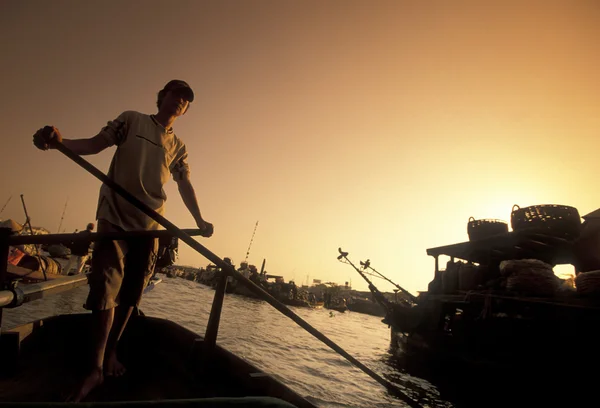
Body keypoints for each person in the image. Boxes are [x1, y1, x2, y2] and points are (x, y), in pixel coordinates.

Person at [32, 79, 213, 402]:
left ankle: (112, 351)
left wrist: (199, 220)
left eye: (186, 101)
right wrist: (58, 143)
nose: (179, 102)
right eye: (176, 95)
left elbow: (184, 184)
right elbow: (93, 144)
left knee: (132, 294)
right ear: (162, 97)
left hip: (150, 225)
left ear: (185, 110)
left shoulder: (179, 146)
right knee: (104, 288)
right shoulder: (131, 120)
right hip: (114, 217)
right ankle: (95, 368)